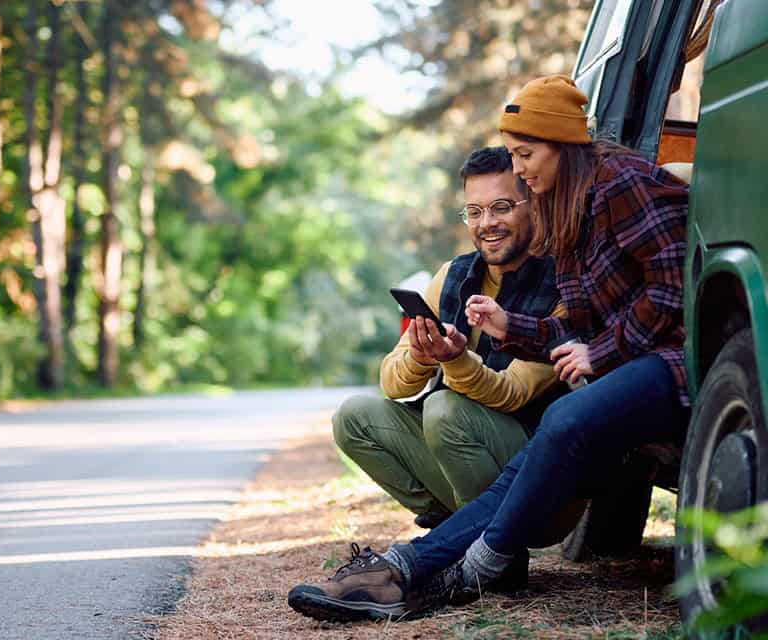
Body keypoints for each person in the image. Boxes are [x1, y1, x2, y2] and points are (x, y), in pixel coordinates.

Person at [287, 74, 691, 623]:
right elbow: (572, 331)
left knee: (559, 419)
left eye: (526, 154)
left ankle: (442, 573)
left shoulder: (621, 181)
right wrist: (509, 326)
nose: (520, 167)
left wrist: (600, 351)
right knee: (524, 449)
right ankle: (417, 567)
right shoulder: (565, 214)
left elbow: (675, 289)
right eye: (475, 210)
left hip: (678, 361)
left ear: (563, 147)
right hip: (628, 369)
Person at [333, 146, 566, 538]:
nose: (486, 223)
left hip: (537, 476)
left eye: (502, 207)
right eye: (474, 212)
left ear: (533, 204)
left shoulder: (563, 281)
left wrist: (456, 360)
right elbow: (391, 381)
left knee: (443, 407)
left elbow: (512, 393)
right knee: (354, 416)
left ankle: (495, 549)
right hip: (460, 455)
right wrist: (421, 357)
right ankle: (453, 530)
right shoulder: (453, 274)